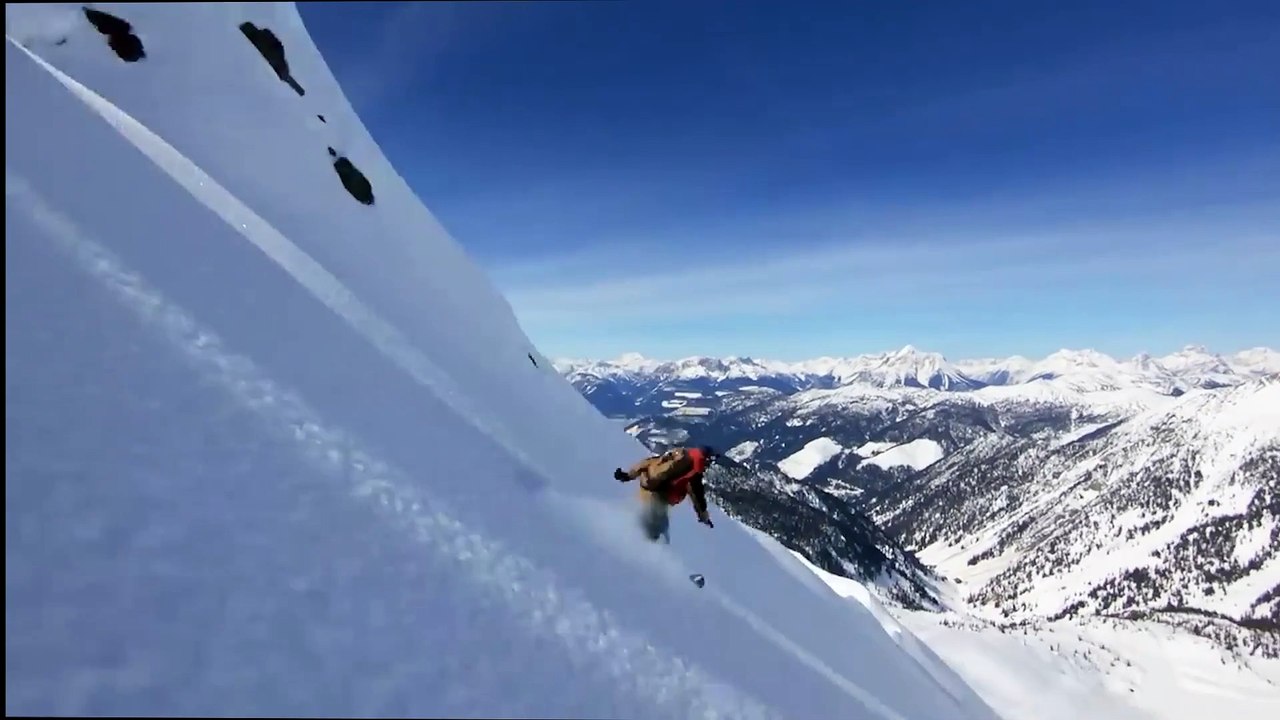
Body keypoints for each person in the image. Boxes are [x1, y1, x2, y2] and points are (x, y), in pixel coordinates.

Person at [613, 446, 718, 542]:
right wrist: (703, 515)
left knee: (648, 521)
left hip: (645, 491)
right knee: (657, 527)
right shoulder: (693, 473)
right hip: (659, 498)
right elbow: (697, 496)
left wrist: (628, 475)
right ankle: (647, 546)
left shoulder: (678, 455)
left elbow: (648, 463)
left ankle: (636, 535)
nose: (707, 467)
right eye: (708, 463)